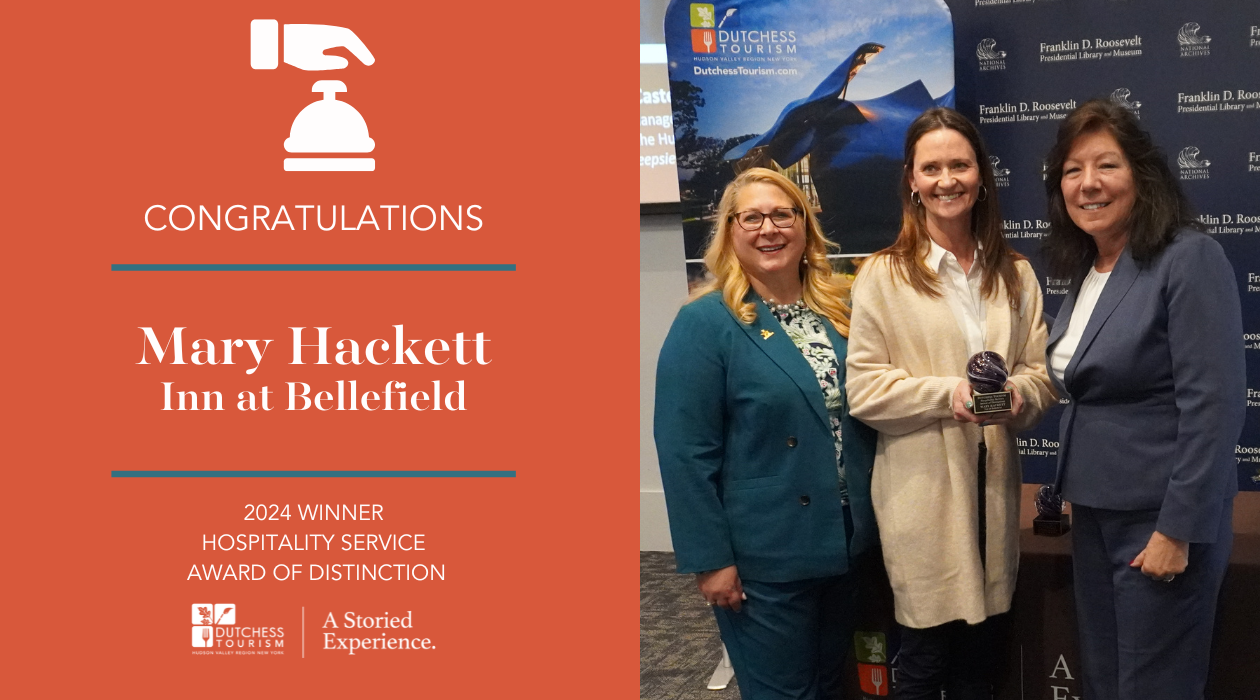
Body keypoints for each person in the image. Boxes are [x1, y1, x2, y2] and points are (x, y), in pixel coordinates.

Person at [844, 107, 1055, 700]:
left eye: (959, 164)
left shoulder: (1015, 273)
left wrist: (1016, 396)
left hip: (994, 493)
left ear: (980, 175)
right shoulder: (883, 276)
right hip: (922, 498)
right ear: (911, 180)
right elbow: (863, 389)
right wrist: (948, 396)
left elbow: (1038, 375)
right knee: (924, 662)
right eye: (931, 167)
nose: (946, 179)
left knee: (981, 664)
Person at [1042, 99, 1244, 700]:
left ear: (1143, 174)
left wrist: (1176, 530)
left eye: (1107, 165)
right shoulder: (1090, 267)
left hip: (1160, 521)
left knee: (1155, 687)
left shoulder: (1188, 256)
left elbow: (1214, 406)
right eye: (1073, 171)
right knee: (1106, 682)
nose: (1088, 184)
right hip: (1095, 516)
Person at [655, 167, 878, 700]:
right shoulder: (706, 323)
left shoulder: (841, 312)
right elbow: (685, 452)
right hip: (765, 557)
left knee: (832, 685)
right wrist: (711, 561)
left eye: (782, 214)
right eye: (751, 217)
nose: (768, 229)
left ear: (806, 226)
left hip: (847, 540)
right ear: (731, 233)